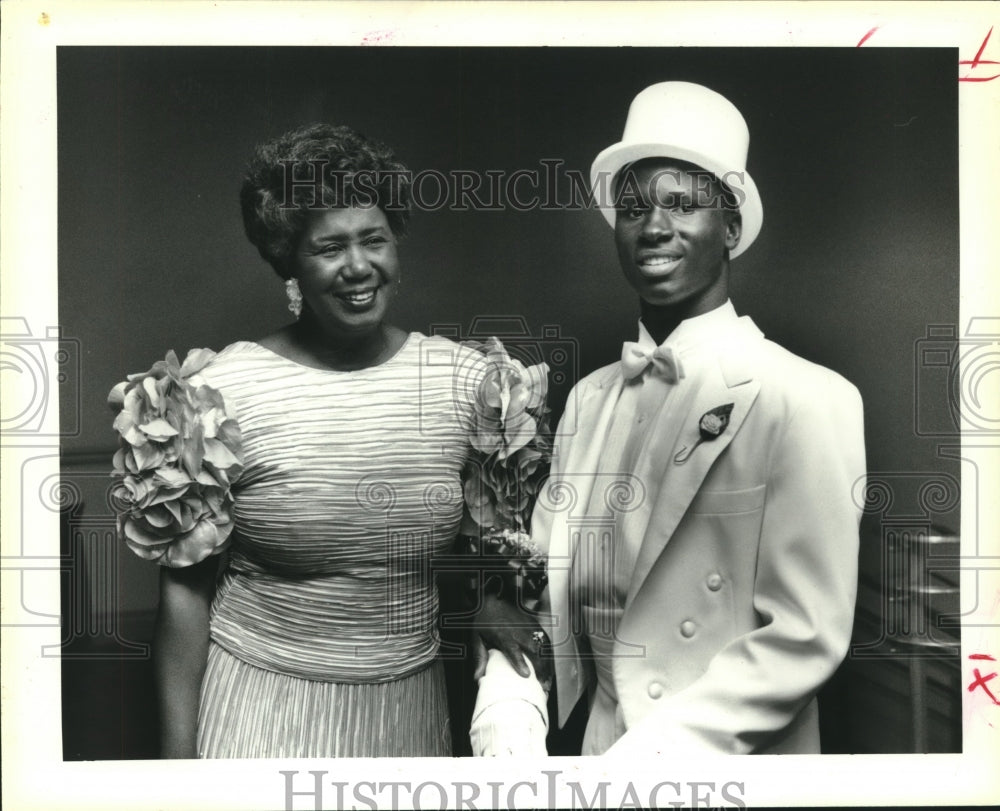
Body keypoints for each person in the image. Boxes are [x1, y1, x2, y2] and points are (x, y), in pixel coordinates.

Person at [476, 81, 866, 756]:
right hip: (596, 762)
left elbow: (802, 638)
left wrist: (638, 770)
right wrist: (507, 723)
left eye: (683, 204)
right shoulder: (589, 401)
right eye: (632, 209)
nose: (654, 226)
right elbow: (540, 597)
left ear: (732, 227)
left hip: (724, 774)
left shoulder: (805, 397)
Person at [143, 123, 486, 758]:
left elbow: (503, 542)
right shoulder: (217, 393)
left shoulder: (467, 383)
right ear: (290, 263)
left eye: (374, 239)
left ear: (396, 245)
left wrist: (498, 596)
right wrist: (176, 769)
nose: (359, 267)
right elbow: (184, 596)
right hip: (256, 716)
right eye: (330, 247)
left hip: (409, 716)